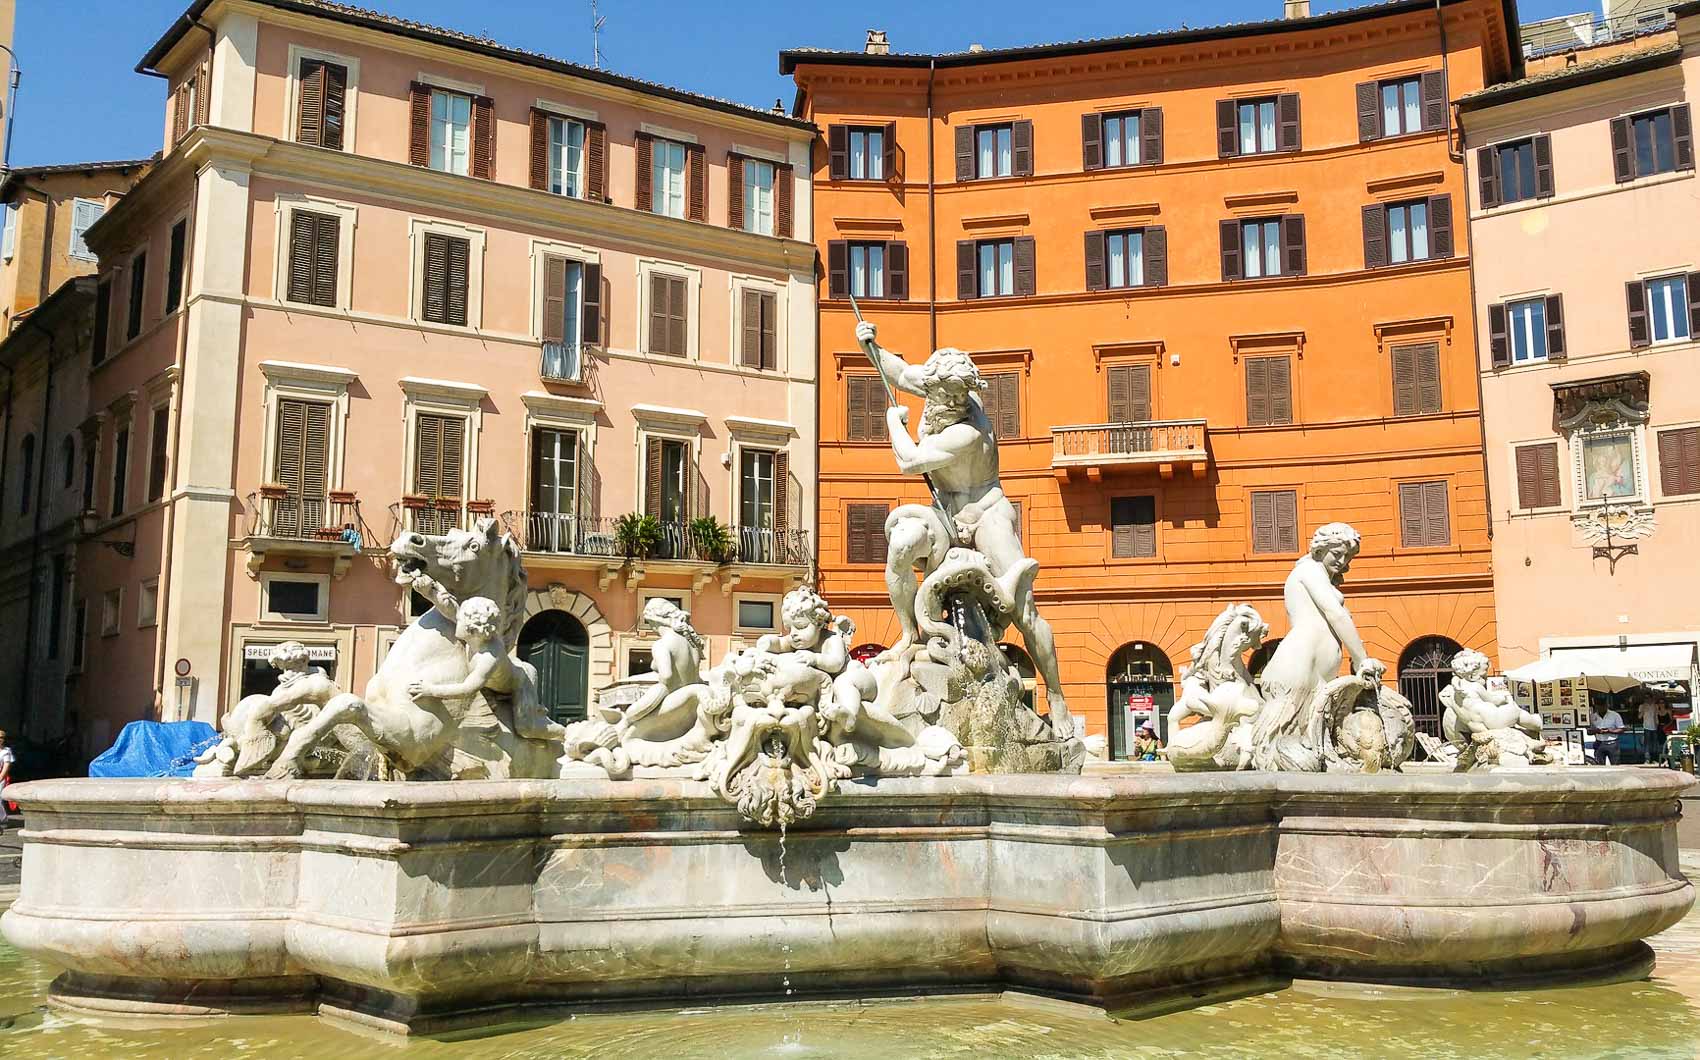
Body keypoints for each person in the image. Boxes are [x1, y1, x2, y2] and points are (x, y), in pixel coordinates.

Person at [856, 319, 1073, 738]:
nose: (956, 402)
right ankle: (907, 633)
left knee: (1025, 611)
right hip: (943, 510)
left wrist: (892, 423)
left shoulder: (968, 431)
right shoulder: (935, 385)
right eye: (948, 396)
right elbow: (899, 373)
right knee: (901, 545)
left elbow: (909, 462)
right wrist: (870, 346)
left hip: (985, 510)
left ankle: (1058, 698)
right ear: (934, 390)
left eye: (961, 396)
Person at [0, 729, 14, 828]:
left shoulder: (6, 751)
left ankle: (3, 819)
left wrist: (1, 777)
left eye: (1, 737)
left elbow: (6, 766)